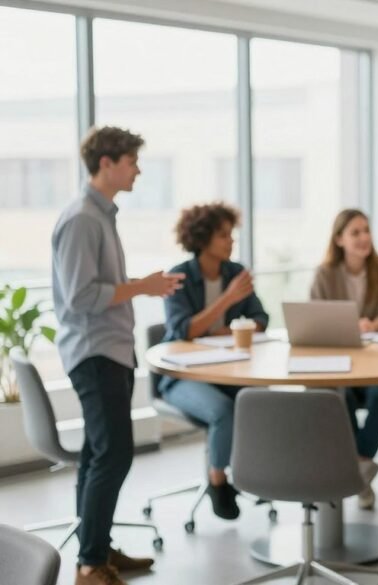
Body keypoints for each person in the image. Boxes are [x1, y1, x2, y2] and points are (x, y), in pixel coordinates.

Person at [52, 126, 184, 585]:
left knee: (97, 453)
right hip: (94, 352)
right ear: (106, 163)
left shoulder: (101, 216)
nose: (138, 169)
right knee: (114, 454)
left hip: (109, 349)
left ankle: (97, 548)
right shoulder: (83, 219)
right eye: (131, 161)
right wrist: (143, 287)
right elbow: (81, 298)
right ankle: (90, 566)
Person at [160, 202, 269, 521]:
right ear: (202, 238)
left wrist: (239, 328)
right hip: (182, 376)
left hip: (228, 371)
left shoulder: (236, 273)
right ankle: (218, 481)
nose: (230, 241)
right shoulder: (178, 277)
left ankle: (255, 475)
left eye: (231, 234)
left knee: (261, 400)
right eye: (223, 235)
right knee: (223, 411)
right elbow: (182, 330)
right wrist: (228, 299)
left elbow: (261, 316)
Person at [311, 208, 378, 510]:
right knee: (339, 396)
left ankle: (358, 468)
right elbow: (314, 316)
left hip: (376, 359)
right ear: (339, 239)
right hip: (340, 360)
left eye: (366, 230)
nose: (364, 238)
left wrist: (371, 325)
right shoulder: (325, 274)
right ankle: (359, 474)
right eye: (355, 232)